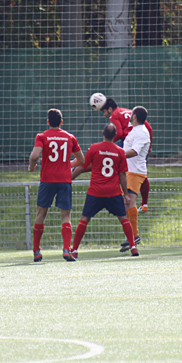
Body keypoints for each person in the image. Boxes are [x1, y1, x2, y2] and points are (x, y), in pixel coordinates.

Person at [70, 123, 140, 257]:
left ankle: (74, 250)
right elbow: (122, 175)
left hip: (95, 192)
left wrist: (70, 178)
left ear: (103, 134)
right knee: (123, 218)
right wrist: (126, 194)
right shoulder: (120, 151)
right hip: (113, 192)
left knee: (85, 219)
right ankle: (133, 247)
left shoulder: (94, 148)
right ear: (115, 136)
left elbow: (82, 166)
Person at [28, 109, 84, 262]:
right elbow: (81, 160)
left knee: (41, 214)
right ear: (61, 122)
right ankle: (66, 250)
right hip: (64, 180)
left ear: (48, 122)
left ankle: (36, 251)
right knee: (66, 215)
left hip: (47, 180)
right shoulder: (70, 137)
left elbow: (34, 156)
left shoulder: (42, 136)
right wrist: (66, 165)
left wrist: (31, 167)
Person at [96, 97, 154, 214]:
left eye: (104, 112)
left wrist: (108, 143)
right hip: (139, 141)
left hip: (130, 141)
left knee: (111, 160)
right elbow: (149, 127)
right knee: (142, 174)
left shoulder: (114, 115)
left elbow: (119, 133)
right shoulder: (129, 112)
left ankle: (110, 195)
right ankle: (144, 203)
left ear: (110, 109)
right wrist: (149, 145)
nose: (104, 115)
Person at [119, 106, 151, 252]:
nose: (130, 116)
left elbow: (134, 152)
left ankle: (134, 236)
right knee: (126, 202)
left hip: (135, 172)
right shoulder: (135, 130)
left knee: (129, 201)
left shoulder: (142, 132)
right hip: (129, 171)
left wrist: (117, 155)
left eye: (131, 114)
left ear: (135, 117)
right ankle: (132, 236)